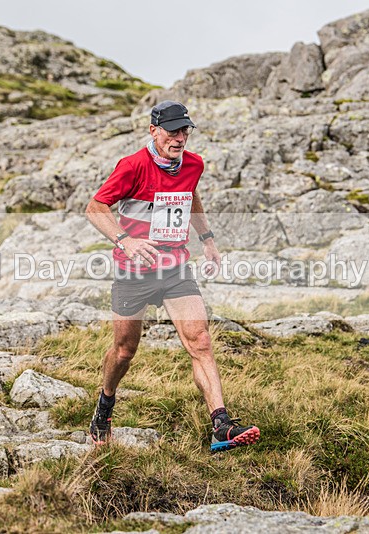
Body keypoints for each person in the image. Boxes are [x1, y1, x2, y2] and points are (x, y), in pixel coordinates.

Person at [85, 101, 261, 453]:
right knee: (124, 350)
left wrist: (207, 239)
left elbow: (190, 195)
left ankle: (221, 425)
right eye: (172, 131)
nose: (179, 138)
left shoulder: (194, 164)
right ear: (154, 130)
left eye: (184, 131)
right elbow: (95, 207)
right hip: (134, 270)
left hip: (175, 267)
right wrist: (126, 240)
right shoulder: (132, 166)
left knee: (201, 340)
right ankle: (105, 405)